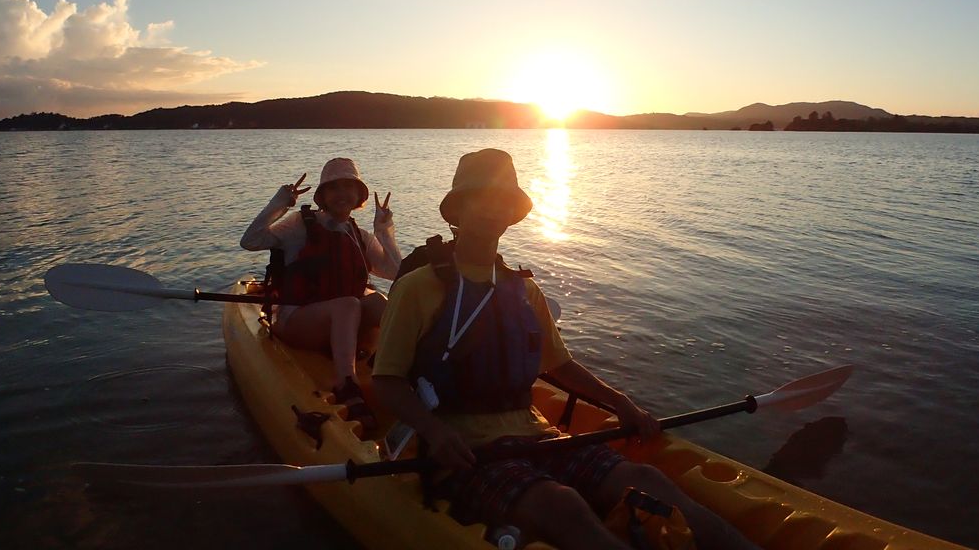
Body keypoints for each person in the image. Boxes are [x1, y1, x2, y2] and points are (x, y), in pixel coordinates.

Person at [373, 149, 758, 550]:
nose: (491, 210)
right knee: (562, 504)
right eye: (479, 198)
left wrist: (620, 402)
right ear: (457, 211)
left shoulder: (523, 289)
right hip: (466, 450)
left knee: (647, 481)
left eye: (502, 201)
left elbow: (560, 366)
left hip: (539, 436)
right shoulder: (417, 287)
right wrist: (434, 431)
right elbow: (386, 381)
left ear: (511, 214)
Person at [241, 156, 401, 429]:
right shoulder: (299, 225)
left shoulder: (359, 235)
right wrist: (280, 203)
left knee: (381, 302)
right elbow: (251, 241)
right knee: (349, 304)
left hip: (342, 323)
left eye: (349, 187)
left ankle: (394, 365)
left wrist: (384, 231)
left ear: (358, 195)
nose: (342, 194)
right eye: (334, 187)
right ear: (323, 196)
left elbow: (399, 274)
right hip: (297, 321)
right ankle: (346, 385)